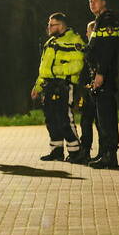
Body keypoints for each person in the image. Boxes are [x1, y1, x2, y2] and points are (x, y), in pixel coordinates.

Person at [31, 13, 85, 162]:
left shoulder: (74, 40)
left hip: (65, 85)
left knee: (64, 118)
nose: (48, 27)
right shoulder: (50, 43)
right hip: (49, 86)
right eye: (48, 25)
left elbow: (78, 65)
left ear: (60, 25)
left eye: (51, 25)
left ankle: (76, 152)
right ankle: (56, 151)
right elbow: (44, 69)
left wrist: (57, 71)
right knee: (51, 119)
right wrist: (38, 87)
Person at [86, 0, 119, 169]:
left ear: (104, 2)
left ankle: (110, 155)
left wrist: (100, 73)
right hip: (100, 74)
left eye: (96, 1)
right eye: (90, 1)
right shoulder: (100, 20)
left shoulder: (108, 20)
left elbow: (107, 50)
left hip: (104, 75)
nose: (92, 4)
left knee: (106, 117)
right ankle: (104, 152)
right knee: (101, 117)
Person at [69, 20, 97, 164]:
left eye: (89, 30)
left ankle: (101, 152)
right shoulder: (87, 48)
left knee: (95, 122)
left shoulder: (95, 48)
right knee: (86, 121)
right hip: (87, 90)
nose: (86, 33)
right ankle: (85, 150)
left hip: (94, 90)